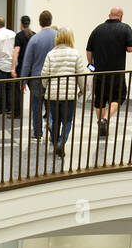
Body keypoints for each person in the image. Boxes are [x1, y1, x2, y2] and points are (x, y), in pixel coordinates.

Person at [86, 6, 132, 137]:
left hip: (99, 73)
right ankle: (105, 119)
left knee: (100, 99)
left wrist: (92, 68)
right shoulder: (125, 28)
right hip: (117, 73)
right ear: (120, 16)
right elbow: (131, 48)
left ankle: (100, 123)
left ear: (109, 15)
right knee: (119, 97)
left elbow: (89, 50)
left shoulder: (97, 29)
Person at [40, 26, 88, 158]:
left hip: (53, 95)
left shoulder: (51, 54)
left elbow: (44, 75)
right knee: (67, 121)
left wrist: (46, 87)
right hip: (69, 95)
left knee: (55, 120)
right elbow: (81, 75)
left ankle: (56, 142)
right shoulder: (75, 53)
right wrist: (83, 90)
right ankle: (62, 142)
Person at [19, 10, 57, 141]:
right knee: (52, 104)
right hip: (54, 77)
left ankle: (37, 132)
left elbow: (27, 62)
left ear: (40, 22)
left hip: (37, 78)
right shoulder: (58, 37)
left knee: (37, 105)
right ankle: (52, 125)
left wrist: (23, 81)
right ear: (51, 21)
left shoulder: (35, 39)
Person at [0, 15, 17, 115]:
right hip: (11, 65)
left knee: (1, 88)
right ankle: (10, 107)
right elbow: (16, 49)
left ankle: (2, 108)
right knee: (10, 88)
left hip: (0, 65)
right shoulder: (13, 34)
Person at [10, 14, 34, 119]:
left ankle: (17, 113)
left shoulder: (19, 36)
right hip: (33, 68)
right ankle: (37, 112)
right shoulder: (34, 35)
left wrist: (13, 68)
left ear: (21, 24)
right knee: (35, 92)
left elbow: (16, 52)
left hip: (21, 68)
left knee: (17, 92)